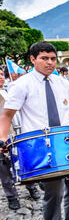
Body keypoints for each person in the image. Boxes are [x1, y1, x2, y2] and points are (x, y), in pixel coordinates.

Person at [0, 42, 69, 220]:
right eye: (44, 58)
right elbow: (7, 114)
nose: (50, 62)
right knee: (53, 193)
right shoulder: (22, 85)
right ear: (33, 59)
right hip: (41, 148)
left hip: (66, 142)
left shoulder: (62, 82)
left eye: (52, 58)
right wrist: (2, 138)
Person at [0, 68, 40, 210]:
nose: (0, 77)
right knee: (4, 169)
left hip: (17, 133)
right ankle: (12, 196)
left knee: (24, 163)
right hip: (3, 136)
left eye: (0, 74)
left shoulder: (8, 90)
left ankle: (32, 186)